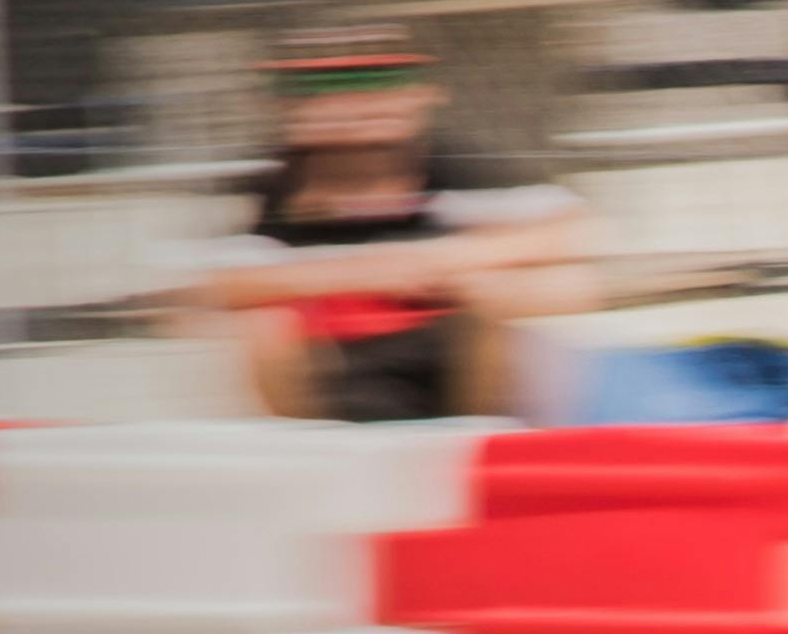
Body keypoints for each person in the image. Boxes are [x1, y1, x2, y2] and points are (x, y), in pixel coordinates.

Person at [189, 23, 597, 422]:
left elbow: (564, 233)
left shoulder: (457, 174)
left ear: (421, 95)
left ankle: (478, 437)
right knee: (261, 324)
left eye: (381, 86)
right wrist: (373, 273)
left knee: (517, 292)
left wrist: (447, 264)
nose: (359, 109)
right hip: (329, 362)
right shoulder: (268, 190)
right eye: (332, 92)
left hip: (446, 353)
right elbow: (220, 282)